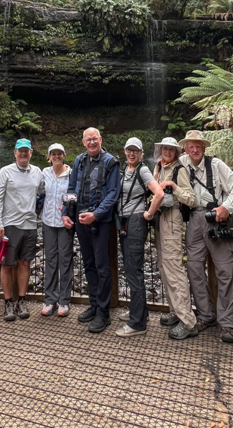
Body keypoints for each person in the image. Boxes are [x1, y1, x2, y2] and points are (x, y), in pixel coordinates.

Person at [178, 129, 233, 344]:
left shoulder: (216, 165)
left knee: (225, 270)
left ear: (204, 147)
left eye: (198, 146)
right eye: (191, 146)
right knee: (194, 268)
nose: (194, 149)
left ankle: (227, 323)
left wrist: (226, 207)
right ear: (185, 148)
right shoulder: (182, 163)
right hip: (193, 220)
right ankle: (205, 315)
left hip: (216, 218)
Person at [61, 127, 121, 334]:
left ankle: (104, 312)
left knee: (102, 265)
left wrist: (96, 214)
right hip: (81, 217)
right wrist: (66, 212)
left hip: (101, 220)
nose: (92, 142)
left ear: (100, 139)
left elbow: (113, 193)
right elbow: (71, 189)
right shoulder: (79, 161)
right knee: (88, 263)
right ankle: (94, 304)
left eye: (95, 139)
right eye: (89, 140)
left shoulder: (111, 162)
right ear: (83, 142)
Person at [115, 137, 164, 337]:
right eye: (129, 150)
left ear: (141, 153)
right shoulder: (126, 170)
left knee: (134, 271)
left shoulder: (142, 170)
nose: (131, 153)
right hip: (126, 223)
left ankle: (137, 324)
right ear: (125, 151)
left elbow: (159, 193)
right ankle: (140, 312)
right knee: (130, 269)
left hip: (135, 222)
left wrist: (149, 214)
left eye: (135, 150)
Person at [153, 137, 200, 341]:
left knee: (174, 267)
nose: (167, 152)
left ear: (176, 152)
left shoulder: (179, 170)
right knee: (164, 267)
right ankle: (175, 311)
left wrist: (173, 185)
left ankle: (188, 321)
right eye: (165, 149)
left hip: (172, 219)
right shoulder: (158, 167)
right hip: (159, 218)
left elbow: (191, 199)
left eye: (171, 149)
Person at [0, 138, 44, 322]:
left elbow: (43, 193)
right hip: (10, 225)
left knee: (25, 263)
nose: (23, 153)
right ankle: (8, 301)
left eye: (26, 151)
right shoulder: (5, 171)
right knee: (7, 264)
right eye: (20, 150)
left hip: (30, 225)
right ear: (15, 153)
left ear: (30, 153)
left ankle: (21, 300)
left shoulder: (37, 172)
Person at [41, 143, 73, 317]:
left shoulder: (71, 174)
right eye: (53, 153)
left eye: (59, 153)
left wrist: (66, 206)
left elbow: (75, 193)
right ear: (49, 157)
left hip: (64, 222)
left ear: (64, 155)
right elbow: (39, 192)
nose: (57, 156)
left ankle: (64, 301)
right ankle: (50, 299)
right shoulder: (44, 173)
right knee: (51, 260)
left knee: (65, 260)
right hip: (48, 221)